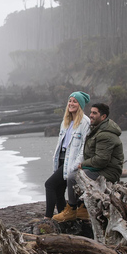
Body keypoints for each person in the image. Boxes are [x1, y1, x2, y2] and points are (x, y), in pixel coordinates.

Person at [53, 103, 124, 222]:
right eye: (90, 112)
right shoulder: (96, 129)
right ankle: (81, 208)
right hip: (101, 167)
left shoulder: (105, 134)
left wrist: (84, 164)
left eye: (94, 113)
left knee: (73, 177)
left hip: (108, 171)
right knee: (77, 174)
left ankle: (72, 209)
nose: (91, 115)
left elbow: (101, 160)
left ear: (103, 116)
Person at [44, 91, 91, 219]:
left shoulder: (85, 122)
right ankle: (63, 216)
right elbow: (61, 143)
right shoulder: (66, 121)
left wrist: (75, 165)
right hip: (61, 158)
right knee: (59, 190)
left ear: (80, 104)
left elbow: (84, 147)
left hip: (71, 161)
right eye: (70, 101)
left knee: (49, 184)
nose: (71, 103)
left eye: (75, 101)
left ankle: (47, 217)